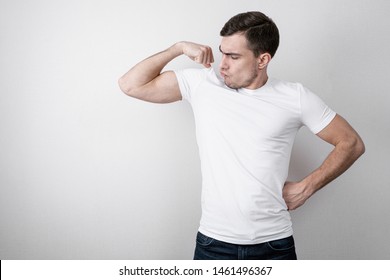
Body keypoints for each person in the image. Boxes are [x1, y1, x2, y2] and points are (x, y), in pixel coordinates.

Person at [118, 11, 365, 260]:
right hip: (213, 243)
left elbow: (351, 143)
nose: (222, 64)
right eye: (222, 52)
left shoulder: (295, 97)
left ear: (262, 59)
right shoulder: (203, 84)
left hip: (274, 245)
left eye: (233, 56)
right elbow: (131, 85)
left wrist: (306, 187)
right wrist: (178, 48)